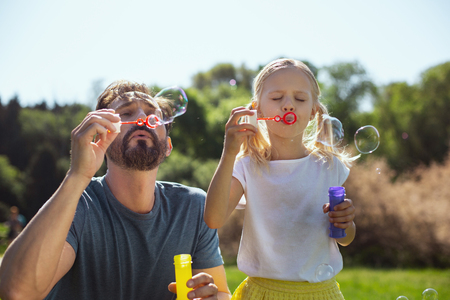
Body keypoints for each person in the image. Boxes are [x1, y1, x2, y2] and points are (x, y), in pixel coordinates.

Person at [0, 80, 231, 300]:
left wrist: (211, 296)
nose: (142, 118)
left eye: (152, 114)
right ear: (100, 136)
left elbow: (221, 293)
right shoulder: (78, 202)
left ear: (168, 146)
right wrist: (77, 175)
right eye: (126, 113)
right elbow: (18, 292)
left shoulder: (193, 207)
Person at [204, 58, 358, 299]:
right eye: (277, 98)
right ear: (258, 111)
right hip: (263, 293)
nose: (288, 105)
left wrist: (346, 224)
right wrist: (230, 151)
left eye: (300, 99)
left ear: (313, 112)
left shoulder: (329, 166)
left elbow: (345, 239)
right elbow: (213, 219)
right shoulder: (246, 167)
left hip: (320, 292)